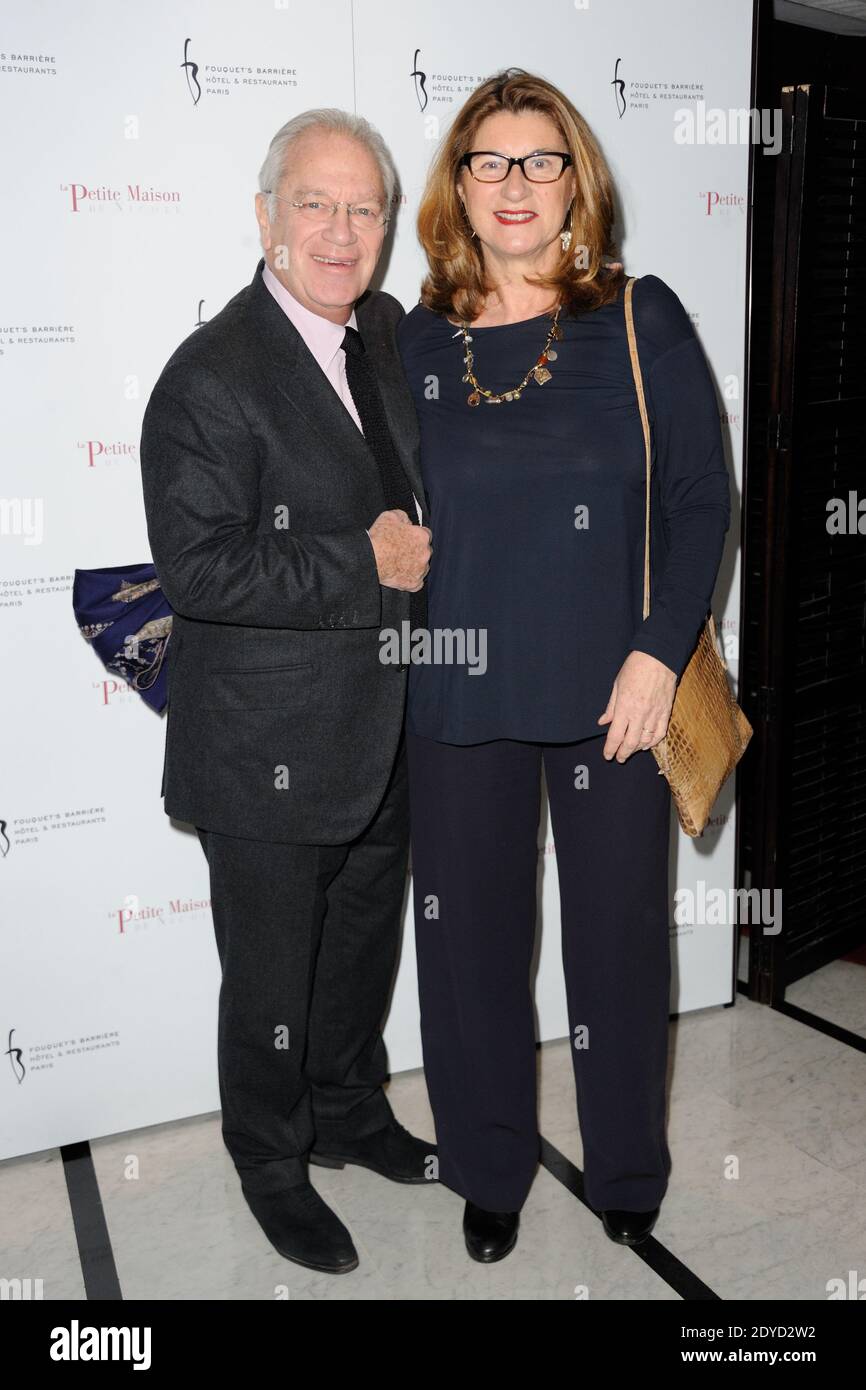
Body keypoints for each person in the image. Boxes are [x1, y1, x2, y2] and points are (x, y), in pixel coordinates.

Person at [397, 69, 731, 1262]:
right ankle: (488, 1167)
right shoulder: (412, 339)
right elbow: (368, 499)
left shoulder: (639, 321)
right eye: (489, 161)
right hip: (452, 693)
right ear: (459, 187)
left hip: (614, 702)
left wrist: (655, 652)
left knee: (616, 940)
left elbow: (699, 498)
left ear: (575, 178)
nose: (515, 183)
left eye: (540, 160)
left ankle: (626, 1166)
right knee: (466, 947)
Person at [139, 108, 434, 1275]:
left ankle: (349, 1109)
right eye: (314, 202)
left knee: (360, 950)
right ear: (264, 217)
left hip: (384, 728)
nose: (339, 229)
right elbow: (199, 567)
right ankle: (269, 1155)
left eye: (363, 208)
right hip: (263, 744)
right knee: (268, 972)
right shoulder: (211, 376)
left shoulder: (385, 337)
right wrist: (362, 560)